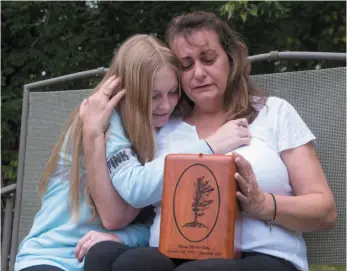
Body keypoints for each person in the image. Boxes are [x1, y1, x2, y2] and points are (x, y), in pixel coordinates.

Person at [82, 11, 337, 271]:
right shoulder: (162, 124)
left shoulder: (273, 113)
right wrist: (94, 129)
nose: (199, 73)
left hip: (261, 256)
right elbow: (124, 206)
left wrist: (263, 204)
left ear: (231, 58)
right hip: (172, 252)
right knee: (117, 259)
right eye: (186, 65)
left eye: (208, 59)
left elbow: (324, 210)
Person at [15, 34, 236, 271]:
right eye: (153, 97)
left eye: (173, 92)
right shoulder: (104, 121)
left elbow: (156, 220)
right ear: (125, 92)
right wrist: (208, 147)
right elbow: (115, 217)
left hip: (106, 256)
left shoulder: (166, 129)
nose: (167, 105)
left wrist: (126, 237)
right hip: (53, 257)